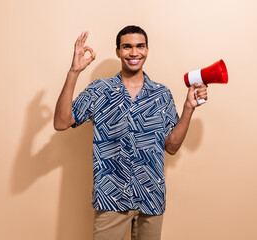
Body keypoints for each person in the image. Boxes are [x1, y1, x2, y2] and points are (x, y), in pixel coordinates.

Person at [54, 25, 207, 240]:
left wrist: (189, 108)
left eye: (139, 46)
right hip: (111, 197)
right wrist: (74, 71)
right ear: (118, 51)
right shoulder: (100, 90)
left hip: (151, 196)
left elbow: (171, 147)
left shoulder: (161, 94)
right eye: (127, 47)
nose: (134, 53)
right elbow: (61, 122)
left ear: (147, 49)